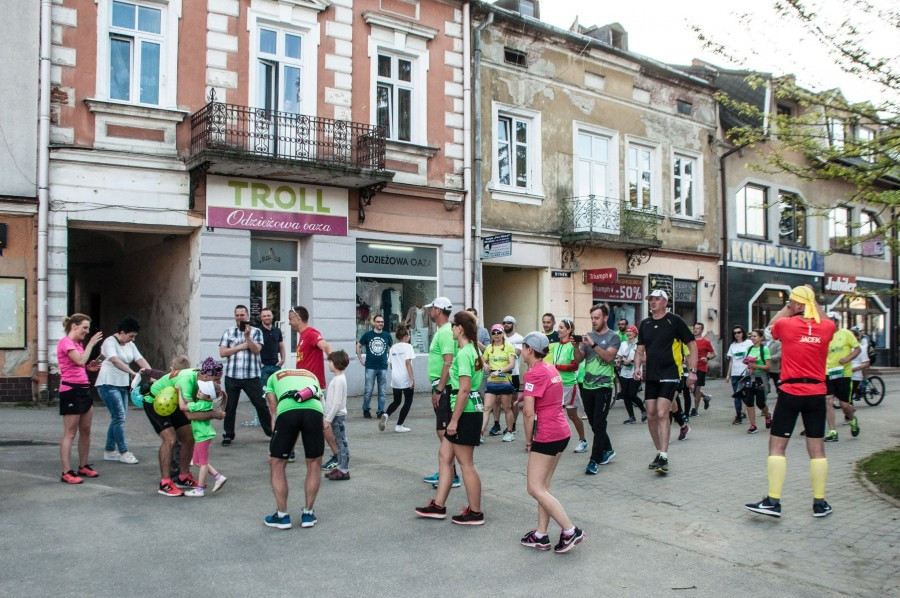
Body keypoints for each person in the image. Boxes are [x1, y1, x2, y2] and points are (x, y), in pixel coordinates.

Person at [745, 285, 836, 518]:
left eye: (791, 302)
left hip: (791, 392)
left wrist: (788, 306)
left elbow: (768, 329)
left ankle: (773, 501)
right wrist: (811, 300)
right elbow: (826, 321)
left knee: (777, 447)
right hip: (816, 392)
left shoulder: (786, 324)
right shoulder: (826, 327)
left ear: (795, 305)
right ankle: (819, 503)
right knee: (817, 450)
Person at [415, 310, 485, 525]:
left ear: (460, 328)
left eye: (454, 326)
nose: (451, 329)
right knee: (445, 456)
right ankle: (438, 505)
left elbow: (464, 390)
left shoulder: (465, 353)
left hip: (465, 413)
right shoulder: (472, 350)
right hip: (467, 410)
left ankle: (475, 512)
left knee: (466, 463)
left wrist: (454, 421)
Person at [520, 331, 586, 553]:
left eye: (523, 346)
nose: (521, 350)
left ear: (530, 349)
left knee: (534, 488)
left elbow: (528, 413)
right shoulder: (550, 368)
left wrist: (528, 441)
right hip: (561, 432)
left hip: (547, 434)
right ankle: (541, 535)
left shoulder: (533, 374)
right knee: (544, 487)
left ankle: (570, 531)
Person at [633, 290, 697, 475]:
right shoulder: (645, 324)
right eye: (650, 299)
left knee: (662, 412)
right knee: (651, 414)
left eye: (656, 299)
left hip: (670, 373)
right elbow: (640, 349)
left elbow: (691, 344)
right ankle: (659, 453)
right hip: (652, 374)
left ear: (665, 302)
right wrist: (637, 367)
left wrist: (692, 372)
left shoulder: (674, 320)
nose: (652, 302)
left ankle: (664, 455)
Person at [144, 357, 224, 496]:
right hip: (155, 401)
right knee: (169, 439)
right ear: (204, 375)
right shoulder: (187, 382)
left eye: (219, 379)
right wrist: (214, 414)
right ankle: (165, 483)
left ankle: (183, 476)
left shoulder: (202, 379)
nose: (217, 383)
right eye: (215, 379)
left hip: (173, 401)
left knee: (189, 435)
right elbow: (190, 415)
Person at [263, 367, 326, 529]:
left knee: (277, 464)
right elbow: (320, 399)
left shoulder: (273, 377)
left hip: (287, 411)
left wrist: (274, 444)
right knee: (314, 463)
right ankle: (308, 514)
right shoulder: (311, 375)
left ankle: (282, 516)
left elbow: (273, 409)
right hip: (314, 411)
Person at [96, 316, 151, 465]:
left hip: (121, 385)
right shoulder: (109, 342)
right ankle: (123, 452)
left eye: (134, 336)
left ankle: (109, 451)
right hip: (107, 384)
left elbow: (140, 360)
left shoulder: (130, 345)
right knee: (119, 417)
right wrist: (132, 373)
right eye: (131, 336)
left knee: (118, 418)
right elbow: (115, 360)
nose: (132, 339)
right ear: (122, 332)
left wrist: (152, 374)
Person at [57, 314, 104, 484]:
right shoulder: (66, 342)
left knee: (86, 430)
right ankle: (66, 472)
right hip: (71, 390)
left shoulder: (77, 344)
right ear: (74, 326)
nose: (86, 331)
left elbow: (80, 363)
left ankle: (83, 466)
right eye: (84, 327)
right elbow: (79, 360)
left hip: (84, 389)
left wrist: (88, 366)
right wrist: (92, 344)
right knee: (70, 433)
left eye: (88, 329)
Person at [219, 305, 272, 445]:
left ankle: (270, 431)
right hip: (232, 375)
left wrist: (248, 338)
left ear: (247, 316)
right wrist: (240, 347)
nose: (239, 317)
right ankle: (228, 435)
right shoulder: (228, 332)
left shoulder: (256, 332)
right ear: (234, 316)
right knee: (230, 406)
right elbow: (223, 353)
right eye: (237, 315)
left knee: (261, 405)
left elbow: (256, 350)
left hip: (251, 376)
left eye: (242, 315)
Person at [578, 304, 621, 474]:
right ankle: (608, 450)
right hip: (587, 385)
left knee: (600, 422)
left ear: (605, 318)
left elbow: (609, 357)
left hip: (604, 386)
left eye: (597, 318)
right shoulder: (588, 337)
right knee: (594, 423)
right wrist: (577, 346)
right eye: (592, 318)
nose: (594, 321)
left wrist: (593, 345)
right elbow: (578, 360)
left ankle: (594, 460)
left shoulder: (613, 337)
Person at [177, 358, 228, 497]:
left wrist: (179, 392)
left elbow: (182, 407)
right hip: (203, 435)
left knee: (203, 463)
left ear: (207, 396)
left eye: (201, 392)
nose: (198, 392)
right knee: (198, 462)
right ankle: (218, 476)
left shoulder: (198, 404)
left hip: (202, 436)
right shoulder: (206, 403)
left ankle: (199, 489)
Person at [424, 296, 459, 488]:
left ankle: (451, 475)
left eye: (432, 308)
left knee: (443, 431)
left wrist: (438, 390)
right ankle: (446, 471)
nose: (430, 311)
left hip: (443, 386)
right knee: (442, 430)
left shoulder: (445, 332)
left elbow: (448, 362)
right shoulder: (444, 331)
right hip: (440, 384)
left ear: (438, 310)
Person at [547, 318, 588, 452]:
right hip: (557, 385)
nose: (558, 330)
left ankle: (583, 441)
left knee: (572, 415)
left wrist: (557, 367)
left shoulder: (573, 346)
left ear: (569, 330)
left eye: (561, 327)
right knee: (554, 414)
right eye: (558, 327)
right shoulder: (557, 346)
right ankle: (556, 439)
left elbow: (574, 366)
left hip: (570, 385)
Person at [824, 312, 861, 442]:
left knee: (844, 405)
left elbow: (857, 349)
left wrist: (847, 359)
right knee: (828, 400)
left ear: (838, 322)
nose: (831, 323)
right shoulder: (824, 335)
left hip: (843, 374)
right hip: (828, 372)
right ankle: (833, 431)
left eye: (833, 321)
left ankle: (852, 418)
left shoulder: (846, 334)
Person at [482, 324, 516, 443]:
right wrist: (484, 364)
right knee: (486, 407)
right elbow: (481, 358)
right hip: (492, 381)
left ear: (502, 334)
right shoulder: (489, 347)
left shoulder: (508, 347)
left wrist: (499, 371)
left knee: (506, 408)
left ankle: (510, 432)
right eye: (494, 333)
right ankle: (481, 433)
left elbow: (511, 364)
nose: (496, 335)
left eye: (498, 332)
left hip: (505, 381)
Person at [357, 314, 392, 419]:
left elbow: (392, 348)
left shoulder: (387, 335)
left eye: (381, 322)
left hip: (383, 367)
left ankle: (380, 411)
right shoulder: (368, 335)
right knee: (368, 390)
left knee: (382, 391)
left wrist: (390, 360)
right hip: (370, 367)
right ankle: (366, 409)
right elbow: (358, 345)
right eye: (378, 321)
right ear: (374, 323)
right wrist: (361, 359)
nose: (380, 323)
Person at [323, 351, 351, 480]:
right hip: (334, 416)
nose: (328, 364)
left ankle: (344, 470)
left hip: (337, 417)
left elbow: (337, 403)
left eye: (330, 362)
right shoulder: (337, 379)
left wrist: (328, 419)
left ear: (336, 363)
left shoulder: (339, 380)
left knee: (341, 443)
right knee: (339, 442)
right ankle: (340, 467)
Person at [290, 305, 333, 390]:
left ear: (298, 318)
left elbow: (326, 346)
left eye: (290, 319)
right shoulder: (303, 335)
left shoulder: (311, 333)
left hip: (312, 386)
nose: (289, 322)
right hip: (305, 384)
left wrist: (335, 365)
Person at [384, 326, 415, 433]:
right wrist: (412, 379)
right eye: (409, 334)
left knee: (396, 401)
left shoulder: (393, 348)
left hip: (395, 378)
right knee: (408, 401)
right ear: (405, 336)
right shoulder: (408, 347)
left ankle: (386, 414)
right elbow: (408, 363)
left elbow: (391, 365)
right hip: (405, 378)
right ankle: (399, 425)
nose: (409, 336)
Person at [742, 329, 772, 434]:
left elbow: (768, 366)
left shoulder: (764, 349)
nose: (753, 338)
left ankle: (767, 415)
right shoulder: (749, 348)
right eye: (751, 336)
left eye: (755, 336)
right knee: (749, 400)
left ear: (760, 337)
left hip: (760, 377)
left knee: (760, 402)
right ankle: (753, 425)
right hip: (750, 376)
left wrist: (756, 365)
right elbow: (746, 360)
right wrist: (747, 362)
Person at [616, 324, 646, 424]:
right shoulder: (623, 344)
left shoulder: (640, 344)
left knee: (632, 394)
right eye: (627, 331)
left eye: (631, 331)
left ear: (635, 333)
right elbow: (620, 357)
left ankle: (643, 409)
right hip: (624, 373)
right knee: (625, 395)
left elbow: (644, 358)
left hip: (635, 373)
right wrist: (619, 361)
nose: (628, 333)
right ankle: (631, 416)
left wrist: (632, 360)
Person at [725, 326, 753, 425]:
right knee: (737, 395)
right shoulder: (733, 345)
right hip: (735, 373)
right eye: (735, 333)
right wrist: (728, 375)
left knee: (746, 395)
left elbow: (752, 357)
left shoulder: (749, 343)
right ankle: (738, 415)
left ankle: (751, 412)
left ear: (743, 333)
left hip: (746, 373)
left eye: (739, 332)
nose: (737, 334)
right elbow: (731, 361)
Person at [503, 316, 525, 434]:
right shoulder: (500, 336)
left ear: (514, 324)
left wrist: (502, 352)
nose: (506, 324)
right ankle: (500, 424)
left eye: (509, 322)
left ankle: (513, 424)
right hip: (500, 372)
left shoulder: (519, 338)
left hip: (514, 373)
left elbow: (517, 352)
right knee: (499, 400)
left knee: (514, 399)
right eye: (504, 322)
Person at [690, 322, 716, 415]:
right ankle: (706, 397)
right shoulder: (691, 340)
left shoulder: (706, 341)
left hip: (701, 367)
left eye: (697, 328)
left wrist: (707, 358)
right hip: (691, 367)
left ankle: (695, 410)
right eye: (695, 328)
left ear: (701, 330)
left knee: (696, 389)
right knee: (691, 388)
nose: (695, 330)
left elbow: (714, 354)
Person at [259, 307, 286, 393]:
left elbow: (281, 346)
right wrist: (259, 363)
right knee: (264, 393)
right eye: (264, 316)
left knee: (277, 391)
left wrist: (283, 359)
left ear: (272, 316)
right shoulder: (258, 331)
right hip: (263, 367)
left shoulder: (277, 330)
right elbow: (253, 349)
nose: (267, 317)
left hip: (276, 365)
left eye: (268, 315)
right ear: (261, 318)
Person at [850, 328, 870, 403]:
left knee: (848, 399)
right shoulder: (845, 348)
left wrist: (855, 368)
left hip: (855, 376)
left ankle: (865, 379)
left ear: (857, 337)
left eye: (852, 336)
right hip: (845, 375)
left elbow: (866, 363)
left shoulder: (862, 347)